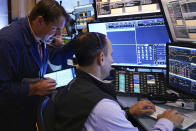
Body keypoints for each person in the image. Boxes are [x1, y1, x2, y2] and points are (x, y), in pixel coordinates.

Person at [54, 32, 183, 131]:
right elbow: (102, 114)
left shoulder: (74, 84)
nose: (113, 61)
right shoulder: (103, 107)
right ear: (101, 58)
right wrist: (167, 122)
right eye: (111, 54)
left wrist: (127, 113)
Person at [0, 0, 73, 131]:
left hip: (28, 115)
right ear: (40, 21)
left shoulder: (39, 35)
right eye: (55, 29)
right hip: (9, 119)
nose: (58, 35)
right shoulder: (7, 41)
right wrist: (33, 88)